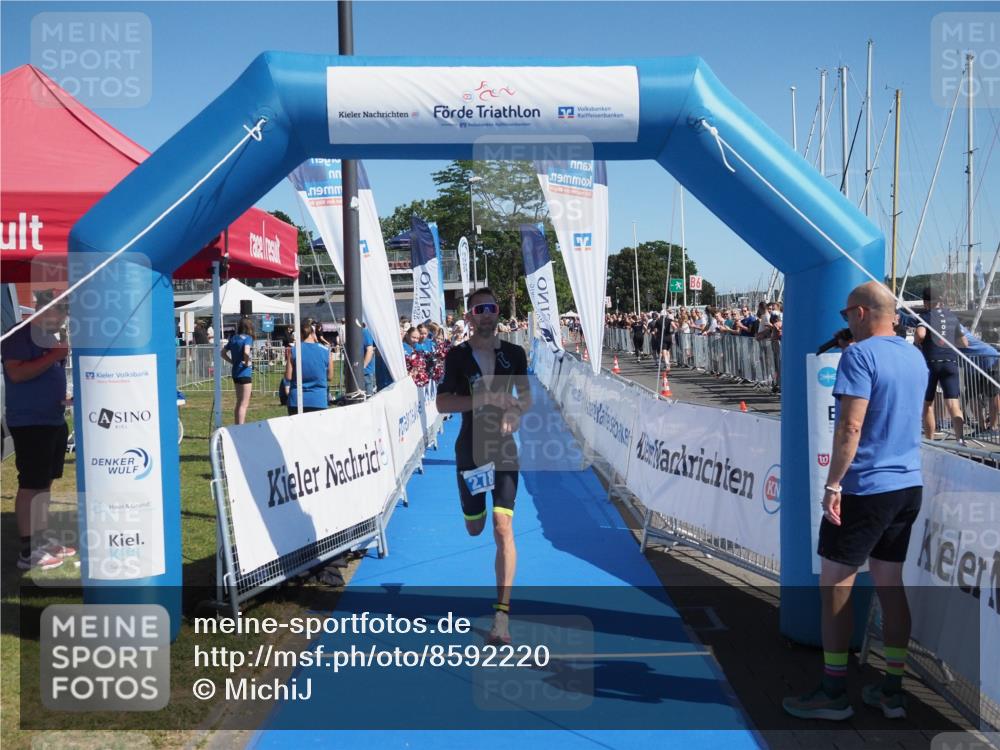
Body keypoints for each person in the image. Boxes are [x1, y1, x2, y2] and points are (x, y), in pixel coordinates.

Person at [784, 281, 925, 722]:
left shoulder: (860, 356)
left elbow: (850, 427)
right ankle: (892, 690)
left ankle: (833, 692)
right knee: (890, 584)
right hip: (908, 485)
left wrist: (833, 484)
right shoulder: (914, 356)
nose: (845, 322)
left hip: (866, 487)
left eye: (847, 315)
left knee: (834, 586)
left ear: (861, 313)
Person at [436, 288, 531, 646]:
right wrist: (484, 398)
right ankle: (470, 511)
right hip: (470, 452)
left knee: (502, 527)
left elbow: (525, 398)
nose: (486, 314)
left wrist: (515, 413)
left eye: (491, 308)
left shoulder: (514, 354)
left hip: (504, 450)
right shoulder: (457, 357)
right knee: (475, 528)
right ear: (469, 316)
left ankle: (501, 616)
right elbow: (442, 403)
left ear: (498, 312)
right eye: (479, 310)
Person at [1, 291, 77, 570]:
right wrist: (55, 355)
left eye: (65, 313)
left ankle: (41, 539)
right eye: (60, 312)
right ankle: (28, 551)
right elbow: (16, 373)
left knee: (44, 484)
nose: (63, 319)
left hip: (52, 419)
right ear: (43, 309)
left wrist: (63, 397)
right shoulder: (20, 335)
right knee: (31, 484)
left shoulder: (48, 338)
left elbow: (44, 375)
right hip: (30, 422)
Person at [914, 286, 968, 444]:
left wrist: (918, 343)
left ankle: (930, 440)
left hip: (931, 364)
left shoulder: (925, 316)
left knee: (928, 404)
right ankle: (960, 440)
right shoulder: (952, 316)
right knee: (953, 404)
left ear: (925, 302)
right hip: (950, 362)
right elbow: (964, 342)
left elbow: (920, 334)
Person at [285, 319, 334, 415]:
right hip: (318, 400)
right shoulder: (326, 351)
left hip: (296, 400)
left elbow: (288, 376)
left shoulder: (294, 350)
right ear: (313, 333)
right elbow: (330, 377)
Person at [222, 317, 254, 425]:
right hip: (244, 372)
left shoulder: (233, 338)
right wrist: (246, 362)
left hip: (235, 372)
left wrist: (232, 361)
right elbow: (246, 351)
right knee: (244, 404)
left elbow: (222, 353)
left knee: (239, 402)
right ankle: (241, 427)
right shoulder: (248, 338)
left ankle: (237, 425)